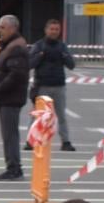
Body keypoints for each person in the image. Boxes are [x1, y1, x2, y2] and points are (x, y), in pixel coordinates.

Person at [0, 15, 33, 179]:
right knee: (8, 134)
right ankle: (13, 166)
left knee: (10, 134)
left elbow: (16, 74)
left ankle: (14, 168)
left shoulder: (16, 47)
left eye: (2, 27)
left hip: (10, 97)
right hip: (8, 96)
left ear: (13, 28)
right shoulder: (12, 45)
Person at [33, 14, 76, 150]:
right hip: (42, 86)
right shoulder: (39, 46)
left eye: (57, 29)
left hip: (59, 86)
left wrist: (64, 56)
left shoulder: (62, 47)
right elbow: (29, 63)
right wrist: (40, 56)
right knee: (38, 115)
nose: (54, 31)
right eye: (52, 29)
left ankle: (66, 142)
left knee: (61, 116)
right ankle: (31, 141)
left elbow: (71, 65)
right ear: (46, 30)